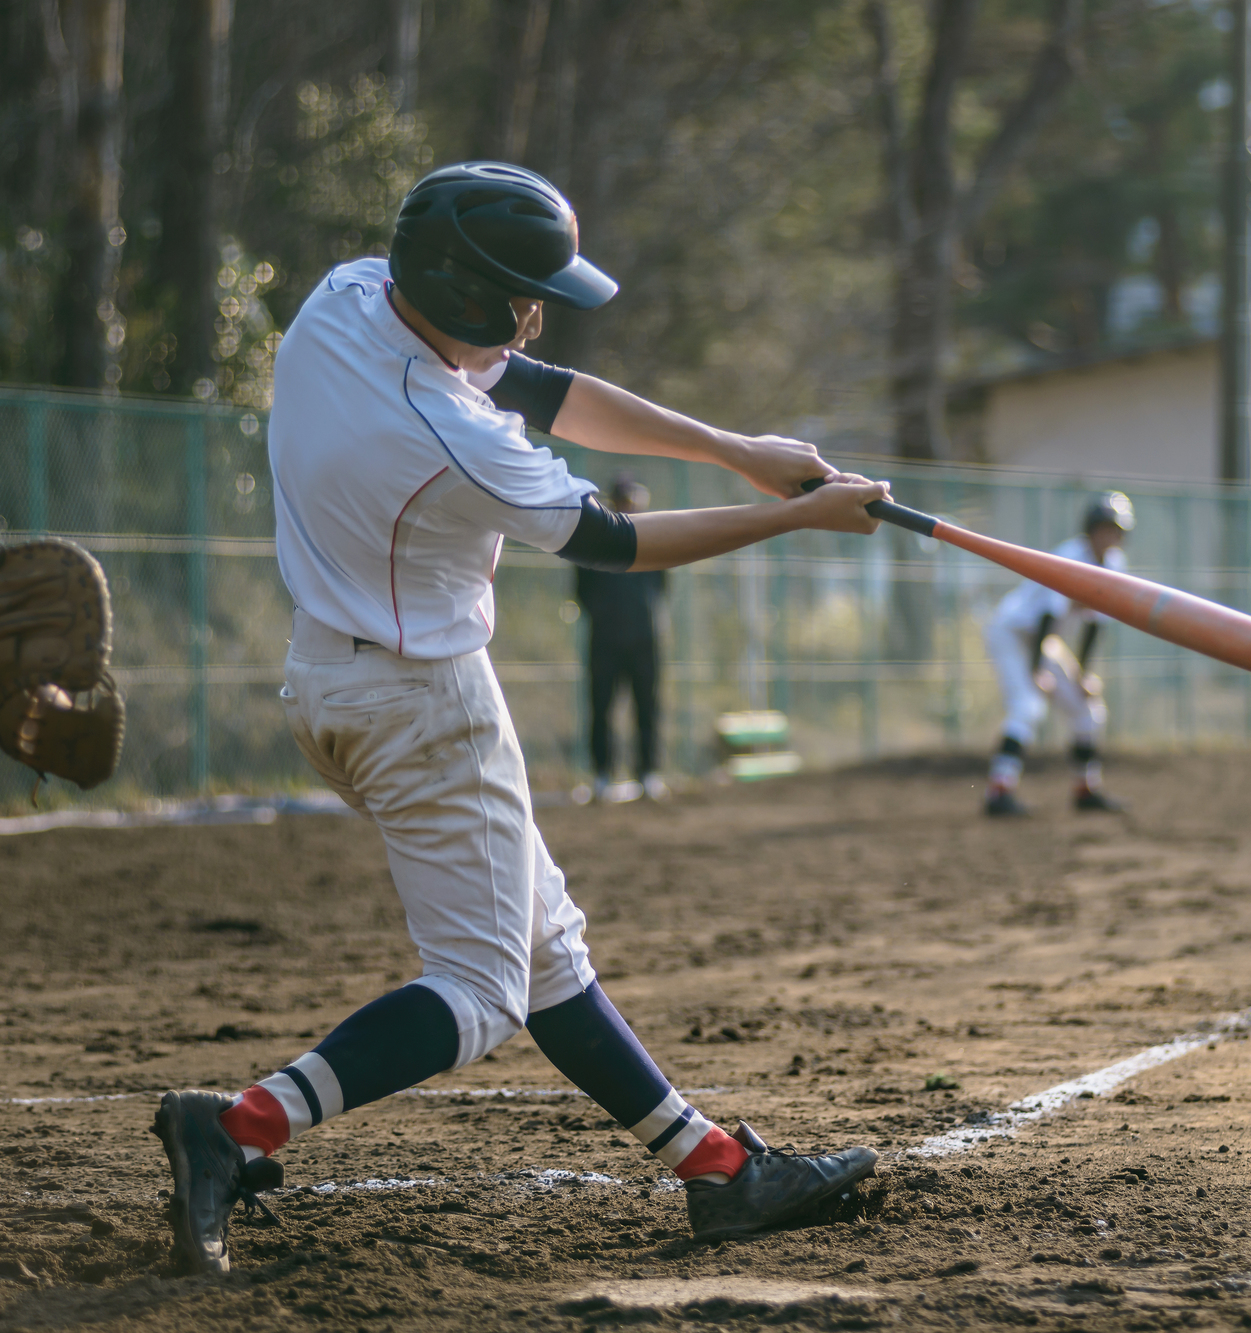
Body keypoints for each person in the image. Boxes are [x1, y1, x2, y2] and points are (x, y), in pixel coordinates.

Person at [149, 162, 888, 1274]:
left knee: (544, 947)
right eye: (515, 292)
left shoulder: (347, 296)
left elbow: (537, 384)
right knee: (484, 988)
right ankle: (240, 1125)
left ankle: (719, 1172)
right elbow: (617, 542)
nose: (532, 311)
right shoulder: (448, 434)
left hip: (329, 680)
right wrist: (794, 518)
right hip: (424, 706)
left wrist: (740, 450)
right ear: (456, 286)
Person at [981, 491, 1133, 817]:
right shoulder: (1071, 556)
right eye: (1104, 528)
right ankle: (999, 791)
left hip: (1043, 640)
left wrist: (1083, 674)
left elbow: (1096, 624)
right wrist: (1038, 670)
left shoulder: (1114, 564)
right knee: (1028, 707)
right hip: (1012, 631)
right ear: (1090, 529)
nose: (1110, 536)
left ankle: (1085, 789)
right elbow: (1046, 616)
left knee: (1089, 709)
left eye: (1117, 531)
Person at [576, 475, 669, 802]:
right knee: (601, 708)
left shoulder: (652, 538)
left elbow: (661, 588)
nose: (632, 507)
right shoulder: (593, 539)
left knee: (648, 708)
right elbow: (582, 593)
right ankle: (602, 775)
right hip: (605, 641)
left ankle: (648, 774)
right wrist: (605, 617)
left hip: (645, 640)